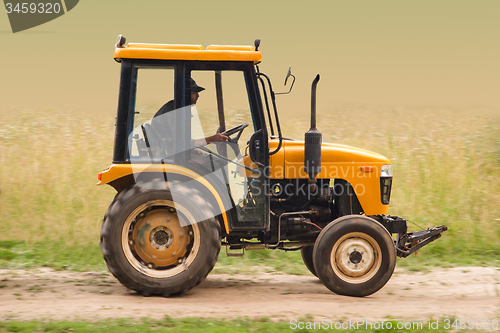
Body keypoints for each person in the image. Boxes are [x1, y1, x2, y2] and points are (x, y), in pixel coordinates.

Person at [154, 78, 228, 146]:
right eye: (194, 93)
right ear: (185, 94)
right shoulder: (174, 111)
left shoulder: (181, 109)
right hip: (165, 154)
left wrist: (192, 151)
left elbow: (183, 143)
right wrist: (212, 139)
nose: (198, 96)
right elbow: (180, 143)